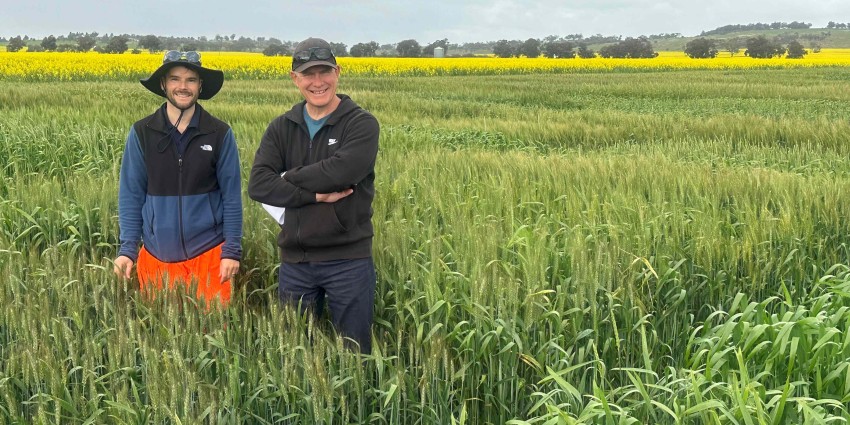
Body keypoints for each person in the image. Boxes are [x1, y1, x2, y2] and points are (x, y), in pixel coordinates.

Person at [248, 37, 380, 353]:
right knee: (293, 355)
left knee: (355, 356)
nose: (317, 82)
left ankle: (354, 404)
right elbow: (258, 185)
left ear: (338, 71)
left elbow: (342, 173)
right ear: (295, 78)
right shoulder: (281, 127)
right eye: (308, 74)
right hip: (296, 261)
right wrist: (316, 196)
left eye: (324, 72)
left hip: (348, 260)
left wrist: (287, 178)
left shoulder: (361, 124)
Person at [113, 50, 243, 307]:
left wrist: (232, 251)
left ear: (200, 86)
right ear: (163, 84)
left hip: (210, 256)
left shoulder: (219, 133)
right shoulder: (142, 132)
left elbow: (231, 197)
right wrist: (127, 249)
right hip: (156, 255)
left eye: (191, 80)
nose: (182, 87)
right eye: (174, 79)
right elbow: (131, 194)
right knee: (162, 335)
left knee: (214, 334)